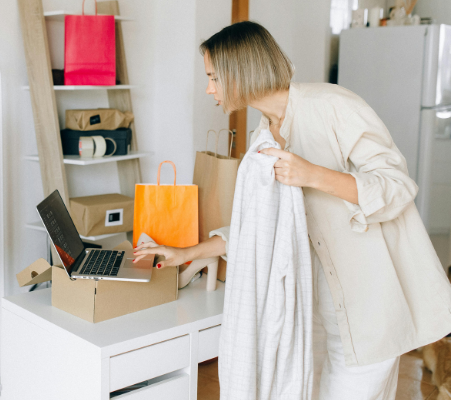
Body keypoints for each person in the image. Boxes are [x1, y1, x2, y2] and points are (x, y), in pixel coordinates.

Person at [133, 21, 451, 399]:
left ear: (240, 71)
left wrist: (312, 174)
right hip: (314, 309)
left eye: (213, 76)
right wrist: (185, 254)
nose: (209, 88)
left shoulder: (333, 105)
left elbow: (398, 186)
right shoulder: (263, 136)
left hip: (370, 307)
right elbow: (256, 230)